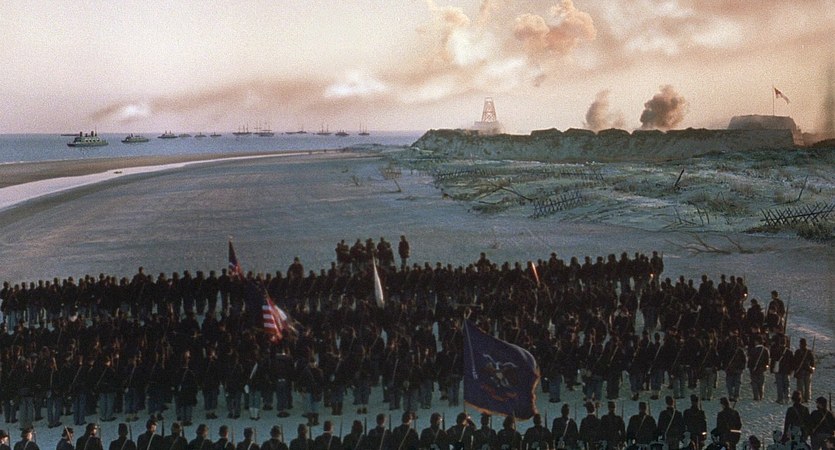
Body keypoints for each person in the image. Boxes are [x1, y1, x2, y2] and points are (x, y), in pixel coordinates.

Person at [793, 339, 815, 403]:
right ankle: (807, 398)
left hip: (800, 371)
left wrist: (795, 369)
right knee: (807, 386)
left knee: (800, 386)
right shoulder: (809, 352)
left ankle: (800, 398)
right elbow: (812, 361)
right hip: (808, 370)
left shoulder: (797, 352)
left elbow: (794, 361)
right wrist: (812, 368)